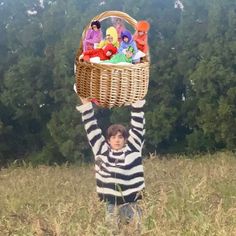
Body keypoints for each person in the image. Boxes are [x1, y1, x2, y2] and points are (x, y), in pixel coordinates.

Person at [75, 87, 146, 234]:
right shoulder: (101, 150)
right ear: (108, 140)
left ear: (125, 139)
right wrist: (86, 105)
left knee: (137, 233)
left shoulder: (133, 148)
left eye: (120, 137)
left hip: (132, 204)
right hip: (111, 205)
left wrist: (137, 103)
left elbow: (138, 126)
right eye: (113, 137)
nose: (117, 140)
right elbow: (91, 128)